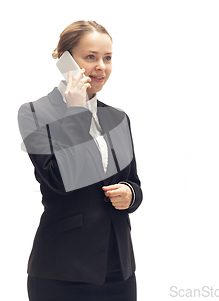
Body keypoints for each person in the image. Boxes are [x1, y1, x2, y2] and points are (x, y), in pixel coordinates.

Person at [17, 20, 143, 301]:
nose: (101, 66)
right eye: (91, 57)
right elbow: (62, 181)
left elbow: (133, 182)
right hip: (62, 271)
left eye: (107, 58)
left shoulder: (117, 118)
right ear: (65, 61)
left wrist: (130, 194)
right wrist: (76, 113)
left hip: (118, 270)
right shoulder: (35, 113)